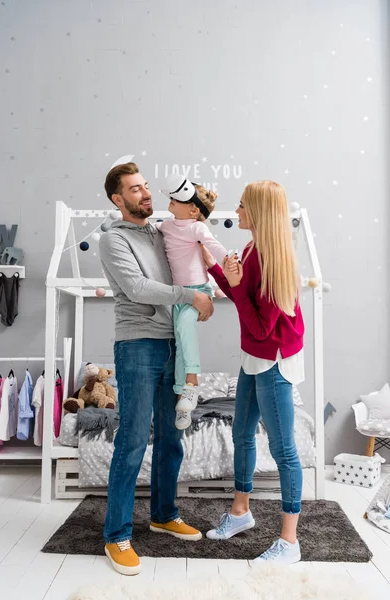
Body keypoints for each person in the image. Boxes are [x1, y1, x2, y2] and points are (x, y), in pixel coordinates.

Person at [99, 162, 213, 576]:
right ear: (118, 199)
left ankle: (164, 514)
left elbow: (191, 257)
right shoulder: (112, 239)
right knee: (131, 440)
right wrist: (190, 296)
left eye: (146, 187)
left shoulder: (160, 230)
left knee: (171, 436)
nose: (146, 194)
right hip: (138, 346)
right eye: (135, 190)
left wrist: (203, 290)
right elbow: (138, 288)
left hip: (172, 345)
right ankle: (116, 535)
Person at [200, 180, 305, 565]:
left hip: (274, 360)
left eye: (242, 206)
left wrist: (236, 282)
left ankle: (290, 542)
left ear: (257, 212)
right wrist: (212, 265)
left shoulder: (273, 259)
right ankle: (241, 512)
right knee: (241, 432)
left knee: (283, 451)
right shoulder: (251, 248)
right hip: (254, 356)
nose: (237, 211)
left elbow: (261, 326)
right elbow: (240, 296)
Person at [158, 175, 228, 429]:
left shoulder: (198, 228)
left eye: (176, 199)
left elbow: (215, 246)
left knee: (185, 327)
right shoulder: (165, 226)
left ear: (193, 209)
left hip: (199, 290)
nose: (171, 201)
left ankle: (192, 381)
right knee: (179, 339)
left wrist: (228, 260)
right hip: (178, 294)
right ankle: (182, 401)